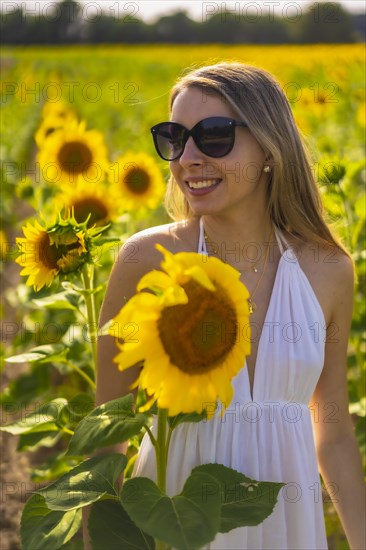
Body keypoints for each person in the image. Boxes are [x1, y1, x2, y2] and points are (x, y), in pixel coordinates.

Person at [92, 62, 365, 549]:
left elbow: (335, 432)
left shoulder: (328, 269)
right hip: (177, 522)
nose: (188, 158)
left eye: (214, 136)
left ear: (269, 148)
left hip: (288, 526)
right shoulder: (145, 259)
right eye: (175, 138)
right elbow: (107, 437)